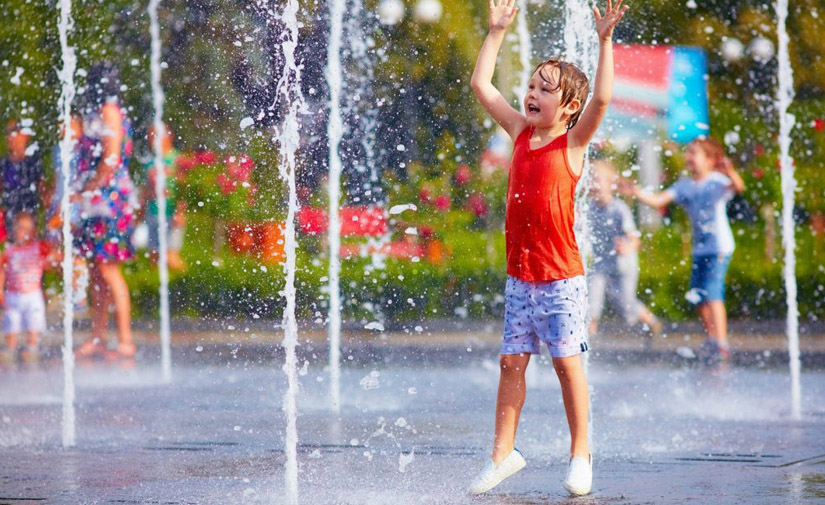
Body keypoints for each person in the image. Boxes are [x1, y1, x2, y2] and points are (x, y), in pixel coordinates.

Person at [467, 0, 627, 496]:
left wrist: (604, 41)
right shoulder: (518, 132)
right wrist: (495, 32)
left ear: (568, 107)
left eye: (545, 89)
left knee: (565, 363)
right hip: (521, 277)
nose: (532, 94)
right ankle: (503, 454)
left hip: (561, 277)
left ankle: (581, 454)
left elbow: (602, 102)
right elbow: (481, 86)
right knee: (512, 363)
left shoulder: (572, 144)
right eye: (532, 86)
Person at [621, 137, 745, 364]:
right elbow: (660, 200)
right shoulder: (685, 185)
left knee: (712, 293)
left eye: (694, 153)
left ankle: (721, 343)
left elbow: (738, 187)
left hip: (718, 247)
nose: (688, 157)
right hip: (700, 249)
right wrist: (637, 193)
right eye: (688, 153)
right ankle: (712, 339)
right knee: (699, 296)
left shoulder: (717, 181)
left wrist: (732, 172)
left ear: (709, 160)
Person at [73, 62, 138, 360]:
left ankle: (125, 339)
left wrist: (88, 189)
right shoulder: (100, 112)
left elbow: (111, 159)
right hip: (98, 198)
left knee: (109, 269)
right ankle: (97, 337)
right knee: (97, 270)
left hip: (109, 200)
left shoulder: (110, 111)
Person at [587, 160, 661, 342]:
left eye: (598, 180)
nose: (593, 184)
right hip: (601, 265)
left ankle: (652, 322)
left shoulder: (620, 209)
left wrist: (628, 246)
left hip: (624, 265)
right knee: (591, 303)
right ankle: (584, 342)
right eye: (590, 180)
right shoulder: (588, 208)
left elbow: (635, 239)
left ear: (611, 184)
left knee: (626, 305)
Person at [0, 213, 49, 364]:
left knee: (33, 320)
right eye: (20, 229)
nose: (24, 233)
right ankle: (10, 348)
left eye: (28, 229)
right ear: (14, 231)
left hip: (33, 294)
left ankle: (32, 347)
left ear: (34, 232)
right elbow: (2, 270)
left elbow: (51, 258)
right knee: (11, 320)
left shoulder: (38, 247)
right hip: (13, 294)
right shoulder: (10, 250)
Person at [140, 123, 187, 271]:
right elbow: (145, 191)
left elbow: (184, 190)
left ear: (169, 137)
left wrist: (180, 213)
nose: (152, 140)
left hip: (170, 213)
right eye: (151, 136)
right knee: (154, 255)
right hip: (152, 214)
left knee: (170, 255)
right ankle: (154, 289)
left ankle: (184, 284)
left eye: (157, 135)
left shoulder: (178, 159)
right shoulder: (150, 162)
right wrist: (140, 213)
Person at [1, 119, 45, 232]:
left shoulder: (34, 161)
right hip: (10, 213)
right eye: (9, 133)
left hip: (29, 212)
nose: (13, 137)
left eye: (16, 131)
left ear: (25, 136)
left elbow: (42, 188)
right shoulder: (4, 163)